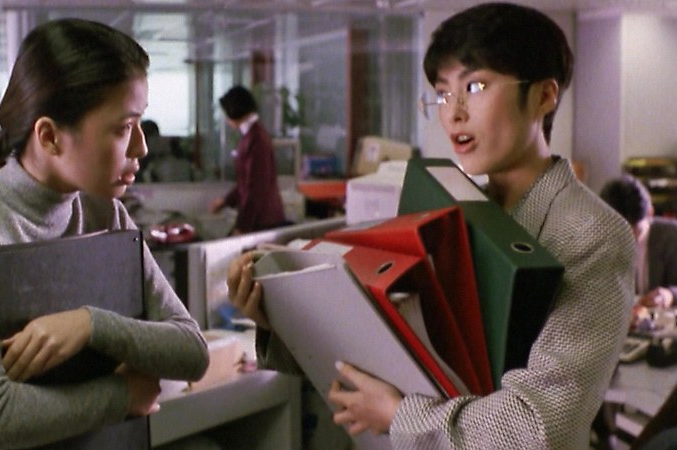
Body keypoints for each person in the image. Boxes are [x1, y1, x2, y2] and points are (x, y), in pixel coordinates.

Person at [226, 3, 635, 449]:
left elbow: (541, 427)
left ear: (544, 96)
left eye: (475, 86)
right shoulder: (457, 211)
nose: (453, 113)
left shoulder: (592, 235)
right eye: (442, 93)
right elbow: (397, 348)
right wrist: (279, 315)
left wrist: (398, 414)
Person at [0, 19, 209, 449]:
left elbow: (191, 351)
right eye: (123, 128)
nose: (141, 148)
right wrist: (123, 395)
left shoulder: (106, 214)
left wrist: (91, 325)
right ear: (50, 136)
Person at [209, 85, 286, 235]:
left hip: (263, 222)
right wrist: (225, 202)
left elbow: (256, 189)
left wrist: (242, 226)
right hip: (258, 220)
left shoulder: (256, 139)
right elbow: (245, 183)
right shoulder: (251, 135)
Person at [600, 174, 677, 309]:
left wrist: (670, 295)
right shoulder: (595, 240)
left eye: (635, 231)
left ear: (650, 213)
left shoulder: (672, 236)